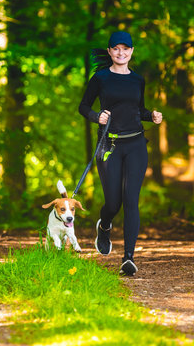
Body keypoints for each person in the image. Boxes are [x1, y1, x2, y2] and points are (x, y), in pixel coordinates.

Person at [78, 31, 163, 276]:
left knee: (130, 200)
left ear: (131, 51)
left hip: (136, 144)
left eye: (126, 49)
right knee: (113, 202)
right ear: (109, 51)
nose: (121, 52)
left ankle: (128, 258)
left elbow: (138, 110)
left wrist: (152, 116)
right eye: (116, 48)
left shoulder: (137, 80)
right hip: (110, 145)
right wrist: (97, 116)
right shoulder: (100, 78)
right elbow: (83, 106)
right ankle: (104, 226)